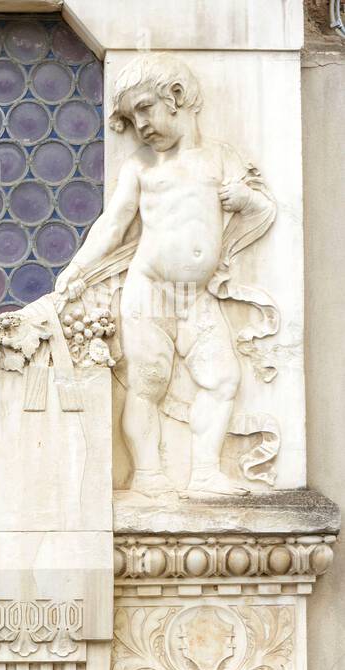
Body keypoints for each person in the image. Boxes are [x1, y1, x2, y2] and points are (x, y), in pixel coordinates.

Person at [55, 53, 277, 497]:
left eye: (145, 109)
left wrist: (245, 200)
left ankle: (204, 473)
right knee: (147, 384)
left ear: (175, 97)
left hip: (196, 297)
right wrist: (78, 269)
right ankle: (149, 474)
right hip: (150, 292)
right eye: (131, 118)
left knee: (224, 379)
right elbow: (113, 225)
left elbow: (263, 208)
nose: (140, 126)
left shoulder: (219, 158)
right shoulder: (140, 169)